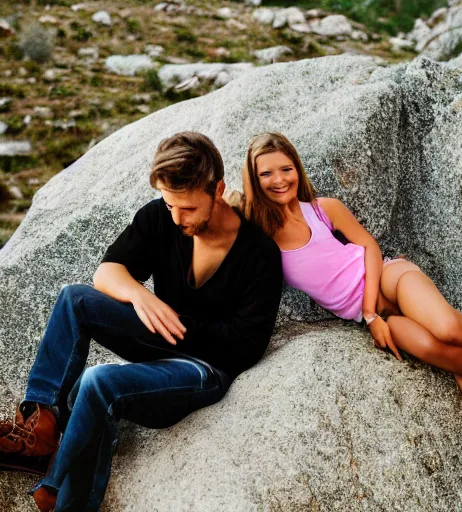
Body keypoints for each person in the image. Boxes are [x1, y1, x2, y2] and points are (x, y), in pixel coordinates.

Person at [0, 132, 283, 512]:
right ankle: (40, 424)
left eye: (187, 208)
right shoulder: (160, 216)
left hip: (204, 369)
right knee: (74, 298)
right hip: (161, 341)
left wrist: (182, 325)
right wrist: (140, 295)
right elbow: (108, 272)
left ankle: (62, 495)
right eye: (170, 206)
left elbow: (247, 346)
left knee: (96, 381)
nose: (177, 217)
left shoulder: (258, 252)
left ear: (218, 190)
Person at [242, 131, 462, 473]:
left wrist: (370, 313)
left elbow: (368, 245)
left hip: (388, 280)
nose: (279, 180)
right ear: (253, 178)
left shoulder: (324, 209)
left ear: (297, 168)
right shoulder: (257, 235)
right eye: (266, 173)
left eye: (286, 169)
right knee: (446, 354)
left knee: (450, 328)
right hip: (376, 317)